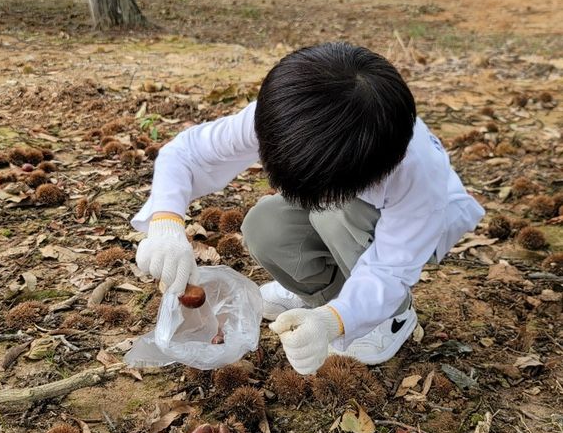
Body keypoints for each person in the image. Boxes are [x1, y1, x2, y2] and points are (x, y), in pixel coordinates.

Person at [133, 42, 484, 375]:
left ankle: (390, 317)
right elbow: (186, 153)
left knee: (334, 214)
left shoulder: (417, 174)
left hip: (420, 229)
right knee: (265, 226)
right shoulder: (289, 112)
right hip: (343, 198)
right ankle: (321, 293)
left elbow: (390, 270)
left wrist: (335, 322)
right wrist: (166, 222)